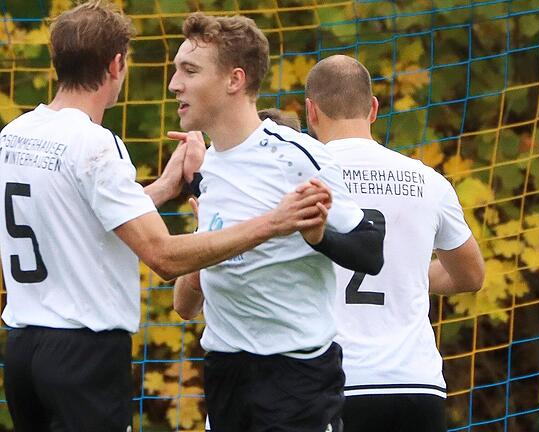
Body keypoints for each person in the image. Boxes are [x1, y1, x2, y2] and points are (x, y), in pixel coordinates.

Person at [0, 2, 331, 431]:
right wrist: (275, 221)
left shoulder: (15, 135)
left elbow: (74, 213)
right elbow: (163, 256)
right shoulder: (97, 144)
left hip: (22, 350)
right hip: (83, 357)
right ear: (117, 65)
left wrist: (162, 188)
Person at [169, 13, 384, 432]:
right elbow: (185, 302)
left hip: (295, 379)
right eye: (176, 70)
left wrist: (319, 237)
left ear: (235, 80)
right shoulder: (208, 166)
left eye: (189, 71)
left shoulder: (295, 156)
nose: (174, 84)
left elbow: (371, 250)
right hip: (224, 371)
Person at [304, 55, 485, 432]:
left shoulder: (302, 180)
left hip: (334, 382)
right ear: (373, 108)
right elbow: (470, 274)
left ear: (311, 112)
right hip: (416, 384)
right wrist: (408, 274)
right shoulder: (427, 180)